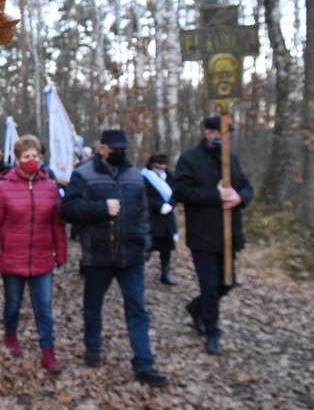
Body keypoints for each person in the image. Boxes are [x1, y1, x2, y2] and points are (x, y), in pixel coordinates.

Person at [61, 129, 169, 387]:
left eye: (123, 150)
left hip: (131, 258)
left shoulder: (135, 177)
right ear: (102, 149)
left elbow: (144, 215)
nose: (120, 154)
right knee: (92, 306)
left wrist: (144, 248)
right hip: (98, 256)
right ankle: (93, 347)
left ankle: (144, 364)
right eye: (115, 150)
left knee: (137, 310)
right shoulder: (83, 175)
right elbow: (68, 210)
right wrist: (101, 208)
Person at [0, 134, 68, 373]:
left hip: (42, 259)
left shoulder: (50, 186)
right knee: (13, 304)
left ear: (40, 157)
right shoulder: (3, 186)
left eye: (35, 156)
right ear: (18, 158)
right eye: (26, 156)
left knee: (44, 308)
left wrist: (61, 254)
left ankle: (48, 352)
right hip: (12, 258)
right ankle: (11, 335)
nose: (32, 160)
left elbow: (57, 225)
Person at [172, 116, 253, 356]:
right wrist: (215, 195)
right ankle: (212, 332)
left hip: (230, 236)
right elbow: (181, 191)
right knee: (209, 287)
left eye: (228, 135)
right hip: (203, 235)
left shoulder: (233, 160)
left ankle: (196, 308)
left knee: (226, 283)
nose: (224, 139)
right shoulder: (189, 159)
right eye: (221, 133)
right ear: (209, 133)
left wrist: (240, 197)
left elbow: (247, 187)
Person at [141, 153, 179, 286]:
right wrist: (159, 206)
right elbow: (143, 195)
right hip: (152, 216)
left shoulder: (171, 176)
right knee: (147, 246)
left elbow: (177, 192)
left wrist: (171, 205)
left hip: (167, 217)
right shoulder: (145, 176)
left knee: (166, 248)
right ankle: (140, 271)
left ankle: (165, 272)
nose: (161, 167)